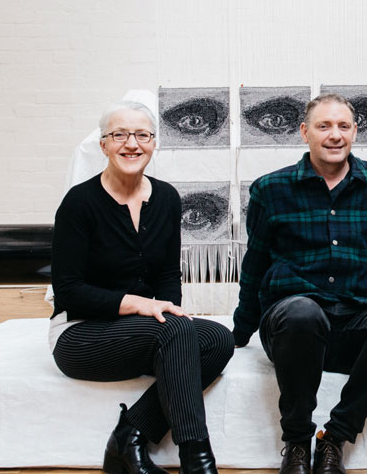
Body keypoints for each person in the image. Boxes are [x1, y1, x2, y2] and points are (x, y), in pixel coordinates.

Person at [232, 93, 367, 474]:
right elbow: (254, 263)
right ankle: (298, 442)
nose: (334, 135)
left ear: (354, 132)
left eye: (342, 126)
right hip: (293, 327)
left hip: (355, 324)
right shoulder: (270, 189)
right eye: (323, 126)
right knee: (304, 312)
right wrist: (240, 332)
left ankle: (334, 438)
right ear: (305, 133)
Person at [50, 101, 235, 474]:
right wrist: (140, 305)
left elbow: (168, 275)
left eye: (142, 135)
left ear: (153, 144)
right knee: (178, 330)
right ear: (103, 145)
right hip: (80, 334)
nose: (131, 144)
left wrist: (169, 312)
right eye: (119, 134)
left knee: (218, 340)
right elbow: (68, 291)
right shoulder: (79, 203)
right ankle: (197, 461)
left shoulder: (165, 198)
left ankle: (130, 435)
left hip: (135, 333)